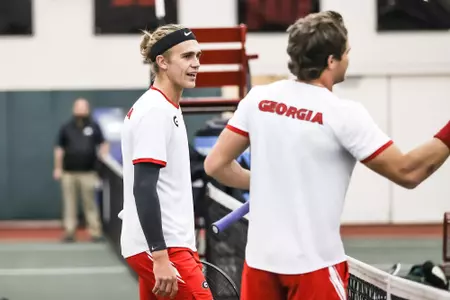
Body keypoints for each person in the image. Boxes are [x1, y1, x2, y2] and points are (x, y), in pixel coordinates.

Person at [204, 11, 450, 300]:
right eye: (346, 52)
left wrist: (264, 183)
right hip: (314, 268)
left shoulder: (258, 99)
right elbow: (409, 172)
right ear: (331, 61)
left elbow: (215, 164)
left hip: (259, 266)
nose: (348, 57)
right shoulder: (344, 115)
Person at [120, 24, 213, 300]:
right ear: (162, 62)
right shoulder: (154, 111)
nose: (196, 63)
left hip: (168, 245)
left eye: (198, 56)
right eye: (186, 57)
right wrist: (160, 257)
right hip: (164, 249)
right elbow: (143, 188)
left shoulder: (167, 107)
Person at [54, 98, 108, 242]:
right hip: (69, 173)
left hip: (89, 172)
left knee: (90, 204)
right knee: (69, 203)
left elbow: (103, 143)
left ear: (87, 109)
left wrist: (102, 158)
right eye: (78, 107)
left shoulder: (94, 126)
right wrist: (58, 168)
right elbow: (59, 149)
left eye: (83, 107)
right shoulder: (66, 127)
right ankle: (69, 232)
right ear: (74, 109)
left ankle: (95, 232)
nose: (80, 109)